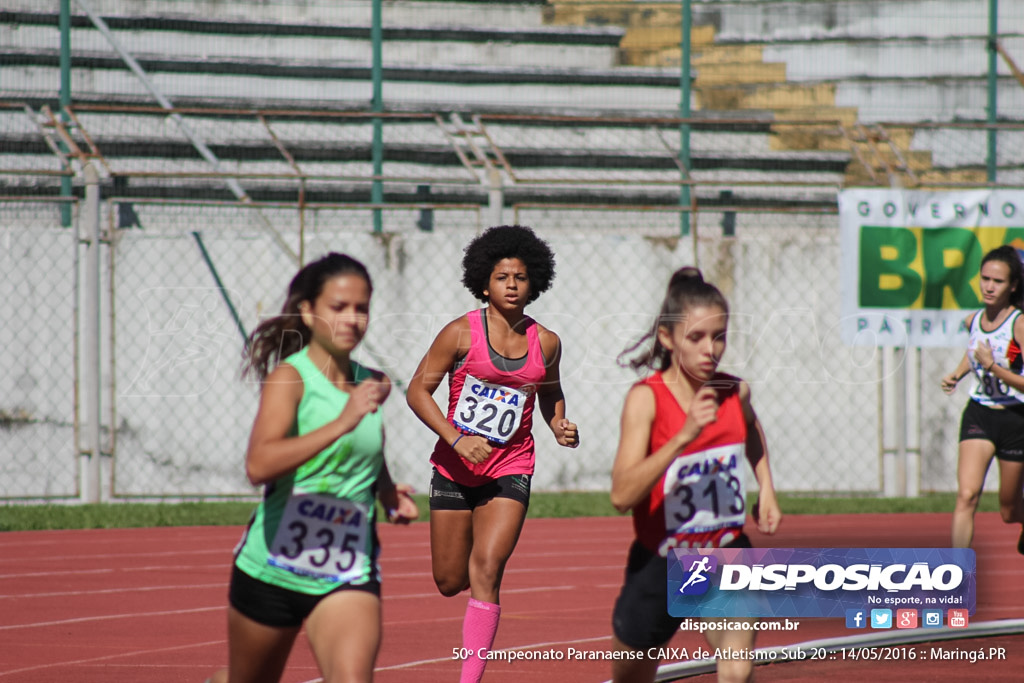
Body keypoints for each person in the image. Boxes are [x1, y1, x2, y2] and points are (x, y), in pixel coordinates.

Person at [206, 252, 418, 683]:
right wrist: (343, 421)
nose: (352, 319)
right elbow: (259, 464)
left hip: (346, 569)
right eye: (338, 307)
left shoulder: (372, 383)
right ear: (307, 311)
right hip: (272, 568)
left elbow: (369, 451)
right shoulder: (291, 379)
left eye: (362, 308)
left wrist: (387, 493)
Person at [405, 225, 579, 683]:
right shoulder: (460, 333)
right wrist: (457, 438)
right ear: (484, 282)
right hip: (455, 465)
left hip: (511, 465)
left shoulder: (547, 342)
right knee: (449, 581)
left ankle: (469, 679)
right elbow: (417, 392)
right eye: (502, 277)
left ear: (534, 283)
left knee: (487, 568)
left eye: (520, 277)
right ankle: (472, 596)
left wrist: (558, 422)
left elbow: (550, 391)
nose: (512, 285)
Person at [608, 266, 781, 683]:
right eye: (697, 338)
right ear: (667, 338)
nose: (711, 349)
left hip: (725, 550)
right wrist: (682, 438)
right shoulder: (646, 400)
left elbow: (751, 430)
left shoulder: (734, 391)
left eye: (719, 336)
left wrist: (768, 489)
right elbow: (621, 495)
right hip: (663, 560)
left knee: (737, 665)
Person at [940, 244, 1024, 553]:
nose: (989, 286)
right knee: (967, 495)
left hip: (1015, 419)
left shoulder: (1019, 325)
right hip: (980, 413)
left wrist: (993, 368)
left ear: (1013, 285)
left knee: (1009, 511)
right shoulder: (972, 320)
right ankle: (955, 575)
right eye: (985, 278)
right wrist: (958, 373)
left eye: (998, 281)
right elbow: (974, 348)